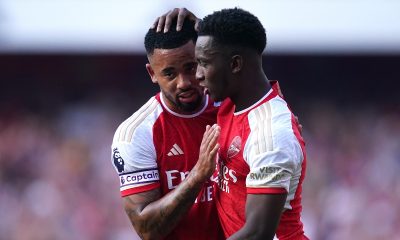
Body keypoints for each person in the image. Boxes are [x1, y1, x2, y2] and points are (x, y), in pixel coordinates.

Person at [194, 8, 309, 240]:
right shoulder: (230, 103)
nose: (197, 74)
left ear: (235, 64)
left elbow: (257, 234)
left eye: (204, 63)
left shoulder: (271, 134)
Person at [110, 17, 224, 240]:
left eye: (190, 67)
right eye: (169, 73)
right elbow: (148, 229)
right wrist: (198, 176)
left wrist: (207, 28)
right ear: (152, 73)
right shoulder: (136, 133)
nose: (183, 82)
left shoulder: (230, 105)